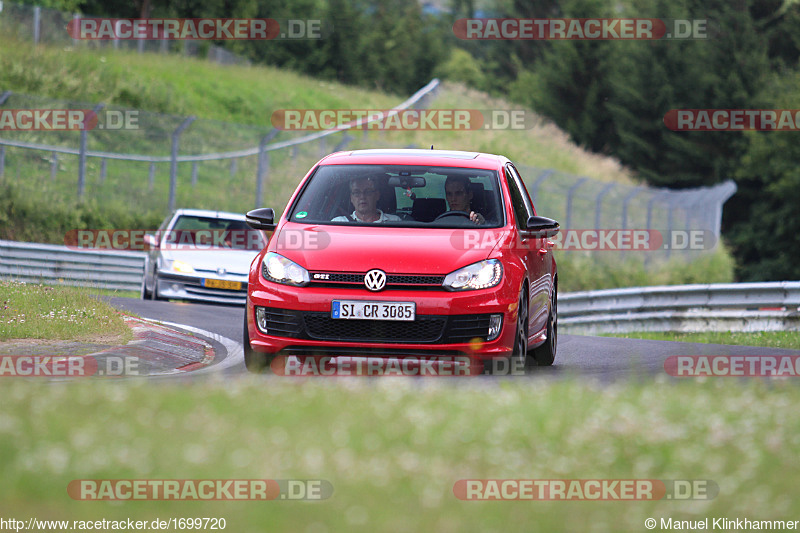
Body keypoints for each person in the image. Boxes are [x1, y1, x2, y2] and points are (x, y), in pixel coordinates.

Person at [332, 177, 401, 223]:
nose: (362, 196)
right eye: (357, 192)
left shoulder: (394, 221)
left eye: (368, 192)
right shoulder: (338, 222)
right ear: (351, 198)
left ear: (377, 195)